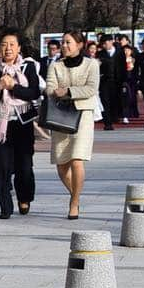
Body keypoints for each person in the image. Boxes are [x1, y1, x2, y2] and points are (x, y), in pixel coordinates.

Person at [0, 27, 41, 219]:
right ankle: (5, 206)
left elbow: (34, 93)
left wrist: (13, 87)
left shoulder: (28, 67)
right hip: (1, 125)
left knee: (24, 166)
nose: (8, 48)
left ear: (18, 48)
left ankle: (24, 197)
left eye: (12, 44)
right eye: (4, 45)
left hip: (22, 123)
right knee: (2, 167)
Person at [45, 31, 99, 220]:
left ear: (79, 44)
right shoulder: (55, 65)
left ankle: (74, 202)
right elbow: (50, 87)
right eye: (63, 42)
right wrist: (55, 91)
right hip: (60, 115)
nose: (64, 46)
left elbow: (91, 88)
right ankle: (75, 193)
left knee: (77, 160)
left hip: (83, 114)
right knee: (61, 167)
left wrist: (67, 91)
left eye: (68, 42)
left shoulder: (91, 64)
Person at [97, 35, 124, 129]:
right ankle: (107, 123)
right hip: (104, 81)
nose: (104, 45)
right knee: (105, 101)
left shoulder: (120, 52)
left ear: (111, 41)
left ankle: (114, 117)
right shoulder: (100, 54)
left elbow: (123, 67)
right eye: (102, 44)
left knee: (115, 101)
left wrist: (124, 81)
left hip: (117, 81)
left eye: (106, 43)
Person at [124, 44, 139, 121]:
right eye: (125, 50)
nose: (126, 52)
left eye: (128, 50)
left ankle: (133, 113)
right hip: (124, 81)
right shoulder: (120, 60)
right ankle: (126, 114)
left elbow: (135, 70)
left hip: (132, 80)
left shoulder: (133, 60)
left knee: (132, 97)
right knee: (126, 97)